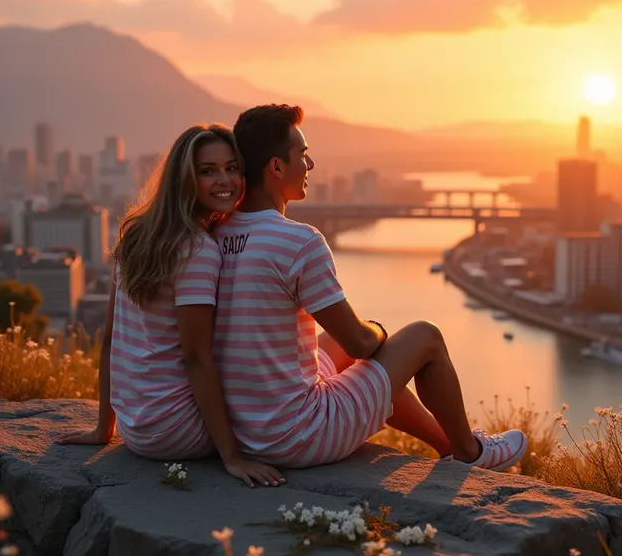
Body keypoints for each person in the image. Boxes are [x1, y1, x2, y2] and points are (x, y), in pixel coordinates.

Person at [213, 104, 528, 470]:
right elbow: (360, 343)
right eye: (303, 154)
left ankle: (448, 448)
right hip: (297, 435)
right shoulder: (299, 241)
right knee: (424, 337)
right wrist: (379, 334)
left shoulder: (216, 233)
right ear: (276, 167)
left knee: (334, 347)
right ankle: (472, 452)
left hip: (242, 430)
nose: (310, 165)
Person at [55, 124, 285, 488]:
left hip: (137, 425)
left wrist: (105, 428)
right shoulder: (198, 250)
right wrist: (233, 457)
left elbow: (111, 340)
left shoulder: (135, 233)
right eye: (207, 171)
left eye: (232, 168)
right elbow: (197, 358)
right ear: (184, 179)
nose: (224, 180)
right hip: (176, 430)